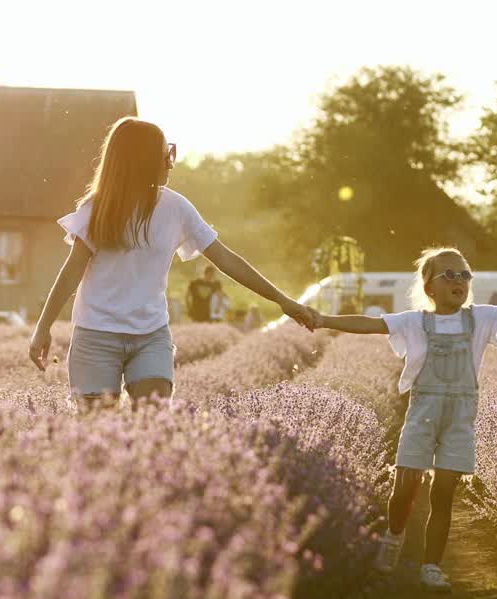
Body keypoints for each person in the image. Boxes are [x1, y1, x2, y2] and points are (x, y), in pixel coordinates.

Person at [310, 247, 497, 592]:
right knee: (405, 489)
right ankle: (394, 537)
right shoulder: (415, 321)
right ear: (430, 288)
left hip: (460, 418)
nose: (460, 280)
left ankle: (431, 566)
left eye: (465, 274)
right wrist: (323, 320)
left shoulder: (481, 318)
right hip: (422, 413)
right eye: (450, 275)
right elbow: (368, 324)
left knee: (444, 493)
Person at [28, 117, 315, 409]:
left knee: (153, 427)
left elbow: (226, 260)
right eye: (165, 155)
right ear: (142, 162)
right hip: (96, 336)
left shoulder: (177, 208)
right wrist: (43, 328)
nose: (170, 163)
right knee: (95, 432)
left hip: (151, 336)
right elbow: (70, 273)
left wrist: (282, 300)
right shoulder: (97, 210)